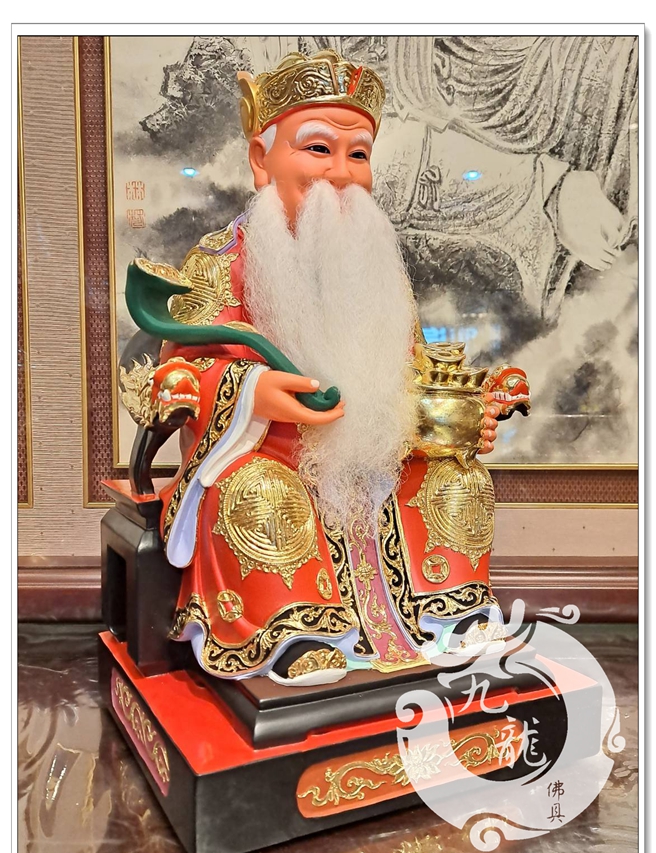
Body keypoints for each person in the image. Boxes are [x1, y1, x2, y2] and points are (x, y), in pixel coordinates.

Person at [126, 50, 512, 686]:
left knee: (456, 478)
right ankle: (296, 631)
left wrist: (452, 419)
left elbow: (414, 372)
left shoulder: (378, 268)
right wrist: (251, 392)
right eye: (318, 149)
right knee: (258, 493)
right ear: (262, 159)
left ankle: (450, 613)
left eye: (357, 154)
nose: (339, 172)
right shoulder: (223, 262)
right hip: (271, 457)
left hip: (374, 463)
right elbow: (173, 379)